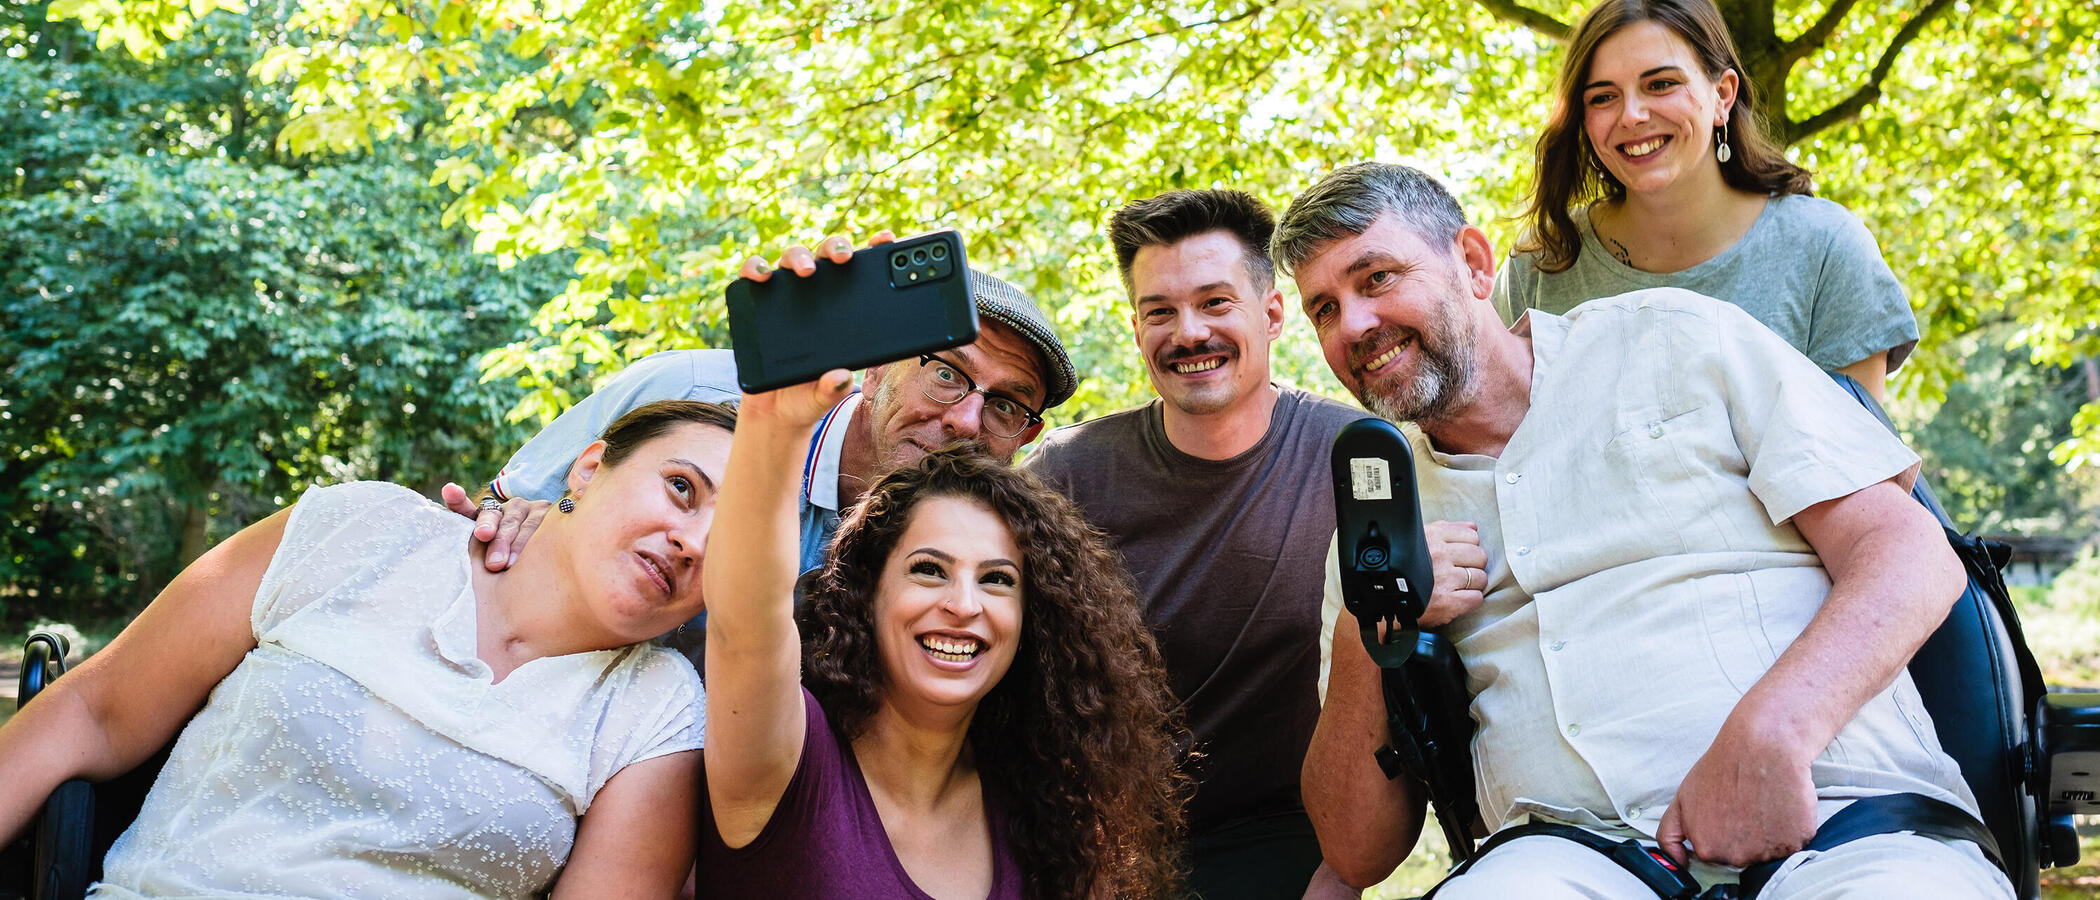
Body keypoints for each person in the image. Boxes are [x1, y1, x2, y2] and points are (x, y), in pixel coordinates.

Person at [1275, 162, 2011, 897]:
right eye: (1325, 310)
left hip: (1847, 819)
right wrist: (1368, 631)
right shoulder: (1380, 530)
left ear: (1472, 262)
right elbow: (1354, 853)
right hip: (1565, 862)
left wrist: (1774, 730)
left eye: (1375, 279)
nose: (1356, 326)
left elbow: (1911, 553)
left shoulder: (1681, 340)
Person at [0, 400, 738, 898]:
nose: (694, 541)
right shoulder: (360, 531)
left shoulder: (659, 710)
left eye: (732, 538)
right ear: (587, 469)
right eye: (680, 488)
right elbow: (91, 714)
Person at [697, 370, 1187, 899]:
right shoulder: (785, 762)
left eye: (997, 580)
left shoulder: (1054, 815)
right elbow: (744, 623)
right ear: (867, 592)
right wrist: (773, 424)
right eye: (929, 569)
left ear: (1032, 621)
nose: (963, 605)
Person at [1022, 189, 1364, 900]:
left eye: (1215, 302)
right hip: (1097, 842)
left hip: (1288, 837)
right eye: (1160, 311)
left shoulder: (1353, 458)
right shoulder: (1070, 474)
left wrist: (1342, 873)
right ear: (1137, 327)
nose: (1188, 332)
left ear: (1271, 315)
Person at [453, 233, 1076, 580]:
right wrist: (511, 520)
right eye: (946, 374)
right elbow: (501, 510)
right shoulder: (693, 392)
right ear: (880, 362)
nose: (966, 420)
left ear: (1026, 437)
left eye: (1005, 406)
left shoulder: (969, 568)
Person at [1494, 0, 1916, 401]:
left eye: (1661, 84)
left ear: (1723, 96)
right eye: (1603, 96)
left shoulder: (1827, 250)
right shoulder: (1539, 265)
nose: (1631, 115)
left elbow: (1859, 465)